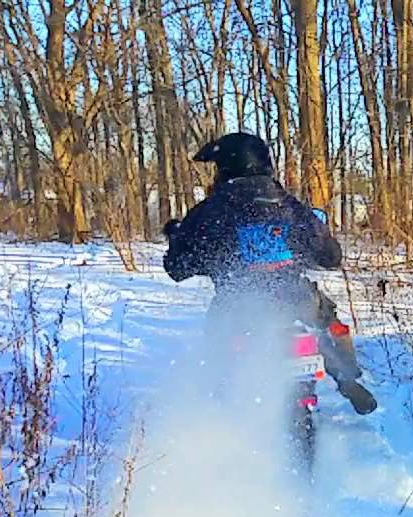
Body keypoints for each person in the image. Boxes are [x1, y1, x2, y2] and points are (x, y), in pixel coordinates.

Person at [162, 132, 378, 415]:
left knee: (217, 345)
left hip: (238, 306)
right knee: (327, 321)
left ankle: (219, 401)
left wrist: (182, 242)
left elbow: (177, 268)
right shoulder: (290, 207)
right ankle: (345, 376)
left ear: (226, 166)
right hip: (295, 298)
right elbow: (331, 256)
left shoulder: (210, 212)